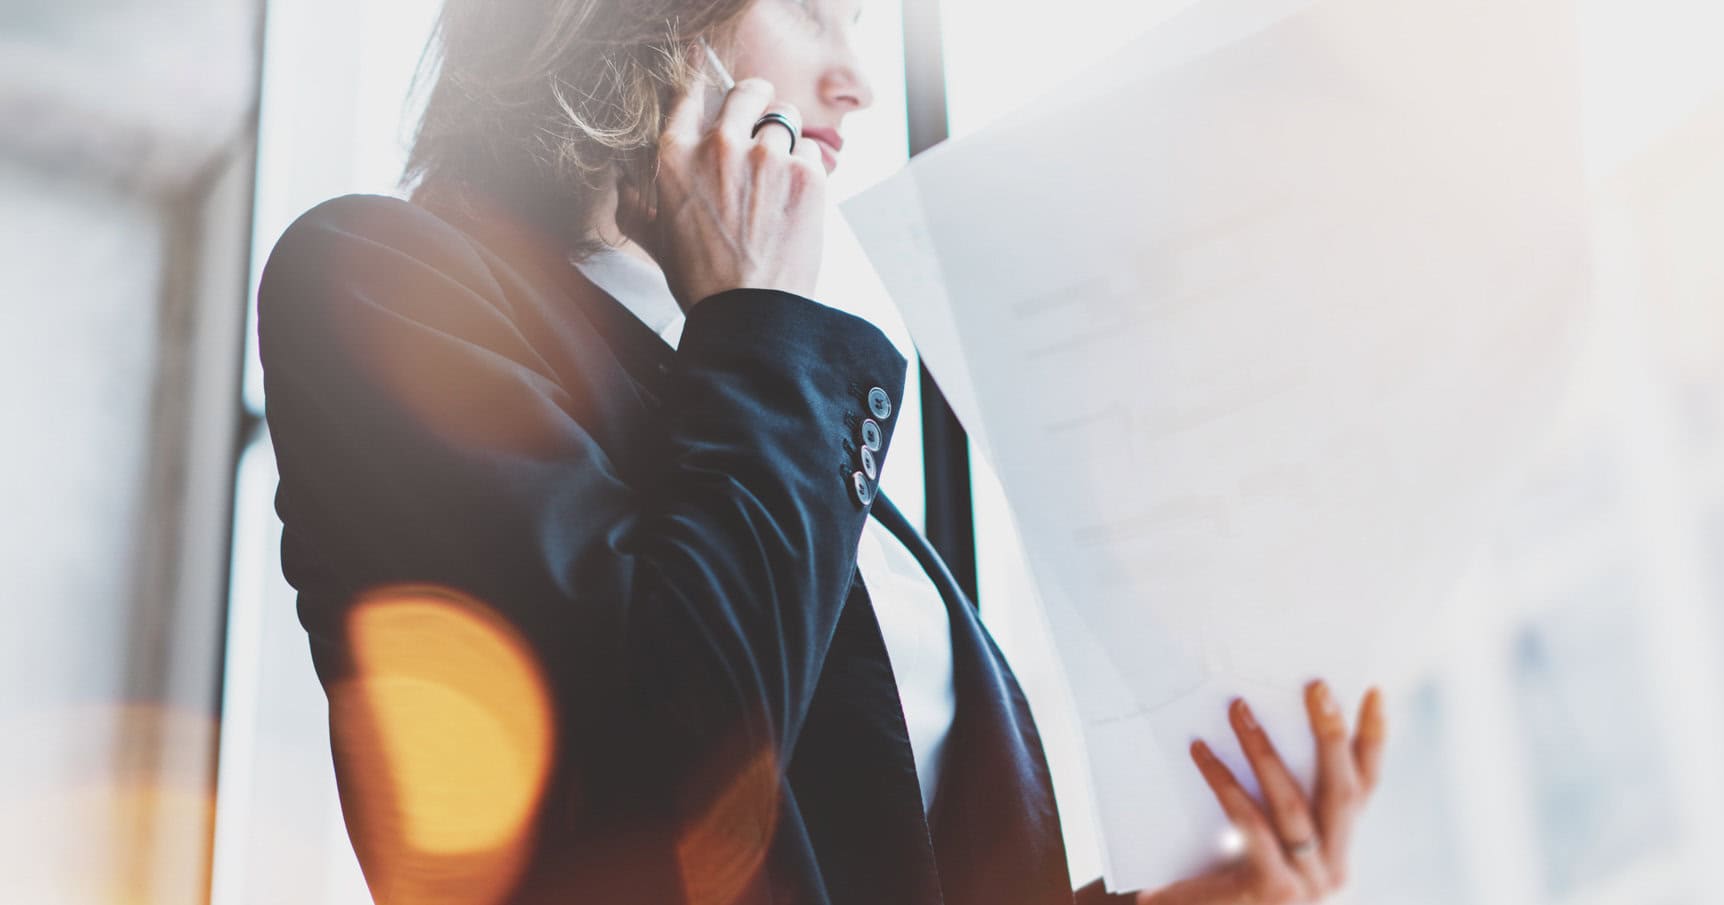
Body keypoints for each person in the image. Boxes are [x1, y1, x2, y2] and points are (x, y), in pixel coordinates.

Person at [256, 0, 1388, 902]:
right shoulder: (377, 280)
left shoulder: (744, 379)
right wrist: (757, 319)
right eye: (811, 7)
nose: (857, 79)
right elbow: (641, 814)